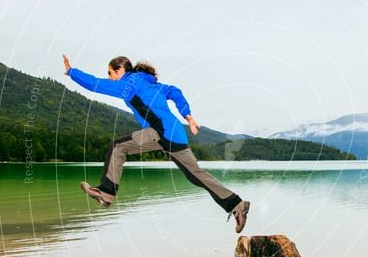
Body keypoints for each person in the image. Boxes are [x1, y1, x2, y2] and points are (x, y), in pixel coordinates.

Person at [62, 54, 250, 233]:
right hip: (173, 134)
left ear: (120, 70)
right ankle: (237, 205)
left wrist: (72, 72)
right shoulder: (150, 84)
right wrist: (189, 117)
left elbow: (96, 84)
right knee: (196, 175)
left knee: (118, 146)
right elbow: (175, 91)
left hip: (161, 132)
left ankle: (106, 193)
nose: (109, 77)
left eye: (110, 73)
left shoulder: (128, 83)